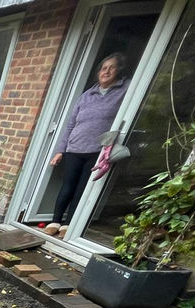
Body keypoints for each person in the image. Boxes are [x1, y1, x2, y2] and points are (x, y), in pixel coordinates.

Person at [45, 53, 130, 238]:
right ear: (98, 72)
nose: (107, 71)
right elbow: (70, 125)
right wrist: (60, 150)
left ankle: (68, 224)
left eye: (112, 67)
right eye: (103, 68)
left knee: (81, 189)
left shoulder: (125, 90)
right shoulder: (86, 95)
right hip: (74, 148)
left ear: (119, 70)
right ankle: (55, 221)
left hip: (97, 151)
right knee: (67, 187)